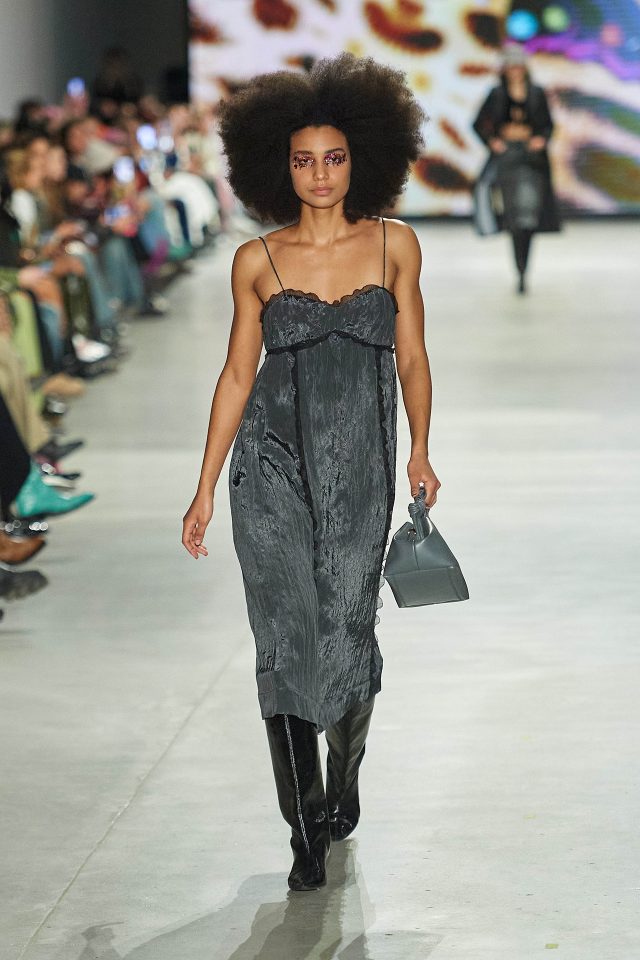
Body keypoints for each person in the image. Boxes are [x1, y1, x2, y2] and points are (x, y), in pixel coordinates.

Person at [181, 54, 440, 892]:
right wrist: (204, 484)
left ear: (361, 158)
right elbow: (235, 375)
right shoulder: (257, 259)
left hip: (362, 466)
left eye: (334, 157)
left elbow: (412, 357)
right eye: (303, 160)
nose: (320, 174)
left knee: (347, 633)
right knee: (287, 639)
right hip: (269, 465)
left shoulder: (395, 245)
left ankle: (344, 773)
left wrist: (421, 450)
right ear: (279, 166)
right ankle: (304, 831)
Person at [472, 44, 560, 294]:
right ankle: (520, 270)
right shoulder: (496, 94)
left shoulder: (537, 93)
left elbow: (548, 125)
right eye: (510, 66)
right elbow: (477, 123)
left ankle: (524, 269)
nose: (515, 71)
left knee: (529, 218)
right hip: (507, 161)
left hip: (532, 162)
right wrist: (493, 142)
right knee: (514, 219)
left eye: (518, 66)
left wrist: (541, 139)